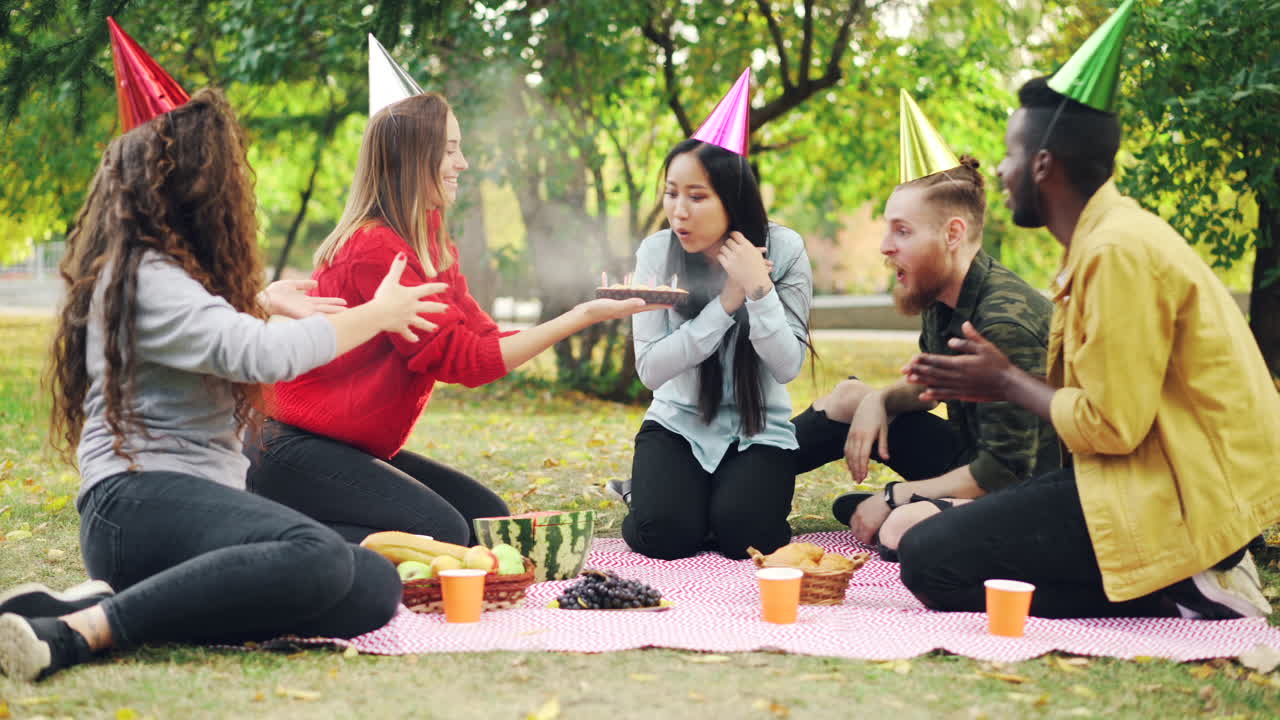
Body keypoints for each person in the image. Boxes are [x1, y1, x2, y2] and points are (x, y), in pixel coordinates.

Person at [0, 88, 441, 682]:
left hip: (187, 510)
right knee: (315, 557)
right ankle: (78, 633)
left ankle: (121, 603)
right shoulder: (144, 277)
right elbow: (259, 355)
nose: (241, 195)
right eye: (230, 179)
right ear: (190, 189)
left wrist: (260, 300)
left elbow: (207, 332)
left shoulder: (172, 278)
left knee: (371, 585)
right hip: (137, 506)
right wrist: (376, 314)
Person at [899, 76, 1280, 619]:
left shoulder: (1117, 250)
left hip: (1181, 499)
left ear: (1043, 165)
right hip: (1135, 478)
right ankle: (1173, 585)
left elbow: (1111, 425)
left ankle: (1185, 589)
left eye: (1011, 154)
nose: (1000, 170)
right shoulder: (1104, 240)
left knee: (928, 560)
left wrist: (1005, 380)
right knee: (933, 544)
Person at [245, 93, 655, 545]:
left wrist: (583, 312)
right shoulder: (375, 249)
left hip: (345, 447)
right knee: (443, 533)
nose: (463, 163)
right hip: (292, 447)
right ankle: (275, 532)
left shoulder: (428, 239)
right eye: (451, 149)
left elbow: (480, 341)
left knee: (487, 522)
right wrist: (579, 318)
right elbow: (462, 363)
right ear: (413, 158)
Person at [790, 156, 1059, 556]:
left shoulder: (1004, 324)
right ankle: (744, 471)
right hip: (970, 457)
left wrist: (895, 496)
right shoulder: (942, 291)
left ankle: (904, 511)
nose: (885, 246)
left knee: (899, 527)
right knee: (851, 398)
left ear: (953, 234)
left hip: (1026, 491)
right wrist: (879, 400)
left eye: (902, 231)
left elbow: (1004, 472)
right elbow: (931, 385)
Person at [620, 138, 815, 560]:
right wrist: (727, 301)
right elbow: (651, 369)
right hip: (677, 424)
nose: (679, 211)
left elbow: (787, 366)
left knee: (746, 539)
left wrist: (760, 290)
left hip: (759, 428)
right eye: (672, 193)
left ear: (732, 198)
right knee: (663, 535)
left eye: (697, 196)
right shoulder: (657, 252)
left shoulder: (784, 249)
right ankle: (647, 492)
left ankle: (716, 500)